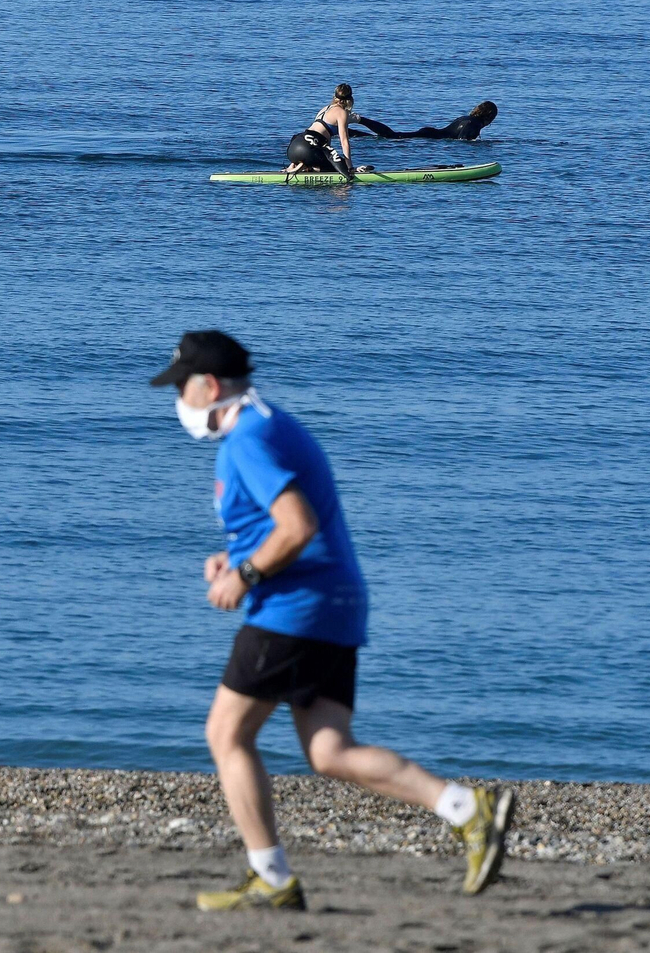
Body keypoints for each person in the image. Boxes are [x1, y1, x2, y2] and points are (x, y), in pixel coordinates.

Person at [150, 331, 514, 912]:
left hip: (296, 610)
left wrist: (243, 577)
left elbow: (298, 527)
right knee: (329, 751)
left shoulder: (247, 439)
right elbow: (284, 523)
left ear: (209, 386)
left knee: (226, 734)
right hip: (335, 603)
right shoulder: (273, 423)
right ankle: (466, 810)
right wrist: (239, 555)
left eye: (181, 388)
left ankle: (271, 879)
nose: (178, 402)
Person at [284, 83, 359, 180]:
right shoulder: (342, 113)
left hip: (293, 149)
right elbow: (344, 142)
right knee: (338, 165)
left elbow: (316, 138)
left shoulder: (325, 109)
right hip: (308, 150)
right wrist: (349, 167)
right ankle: (309, 167)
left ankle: (296, 165)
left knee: (325, 155)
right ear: (350, 99)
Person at [354, 101, 498, 141]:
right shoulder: (475, 124)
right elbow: (462, 142)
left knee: (392, 136)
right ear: (489, 117)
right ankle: (360, 120)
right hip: (430, 138)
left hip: (431, 133)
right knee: (391, 136)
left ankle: (353, 132)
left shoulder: (466, 118)